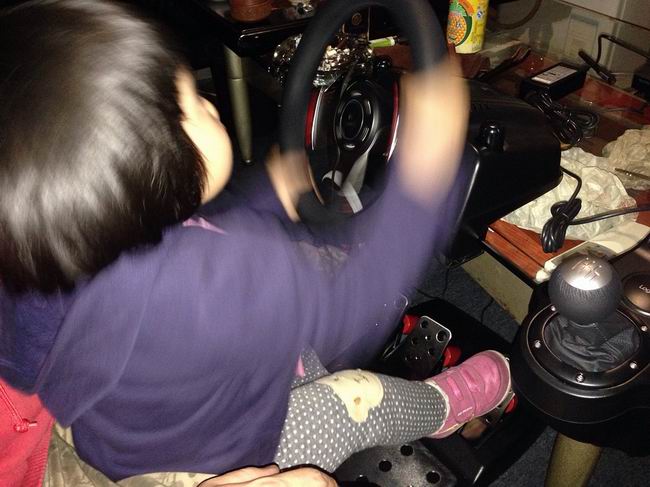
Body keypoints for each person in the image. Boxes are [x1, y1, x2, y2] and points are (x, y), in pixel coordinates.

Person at [0, 0, 511, 484]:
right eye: (191, 104)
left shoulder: (43, 250)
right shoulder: (224, 277)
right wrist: (422, 181)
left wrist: (270, 192)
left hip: (111, 434)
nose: (210, 104)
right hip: (209, 461)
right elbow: (352, 305)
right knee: (354, 399)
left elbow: (196, 238)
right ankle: (447, 406)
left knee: (283, 323)